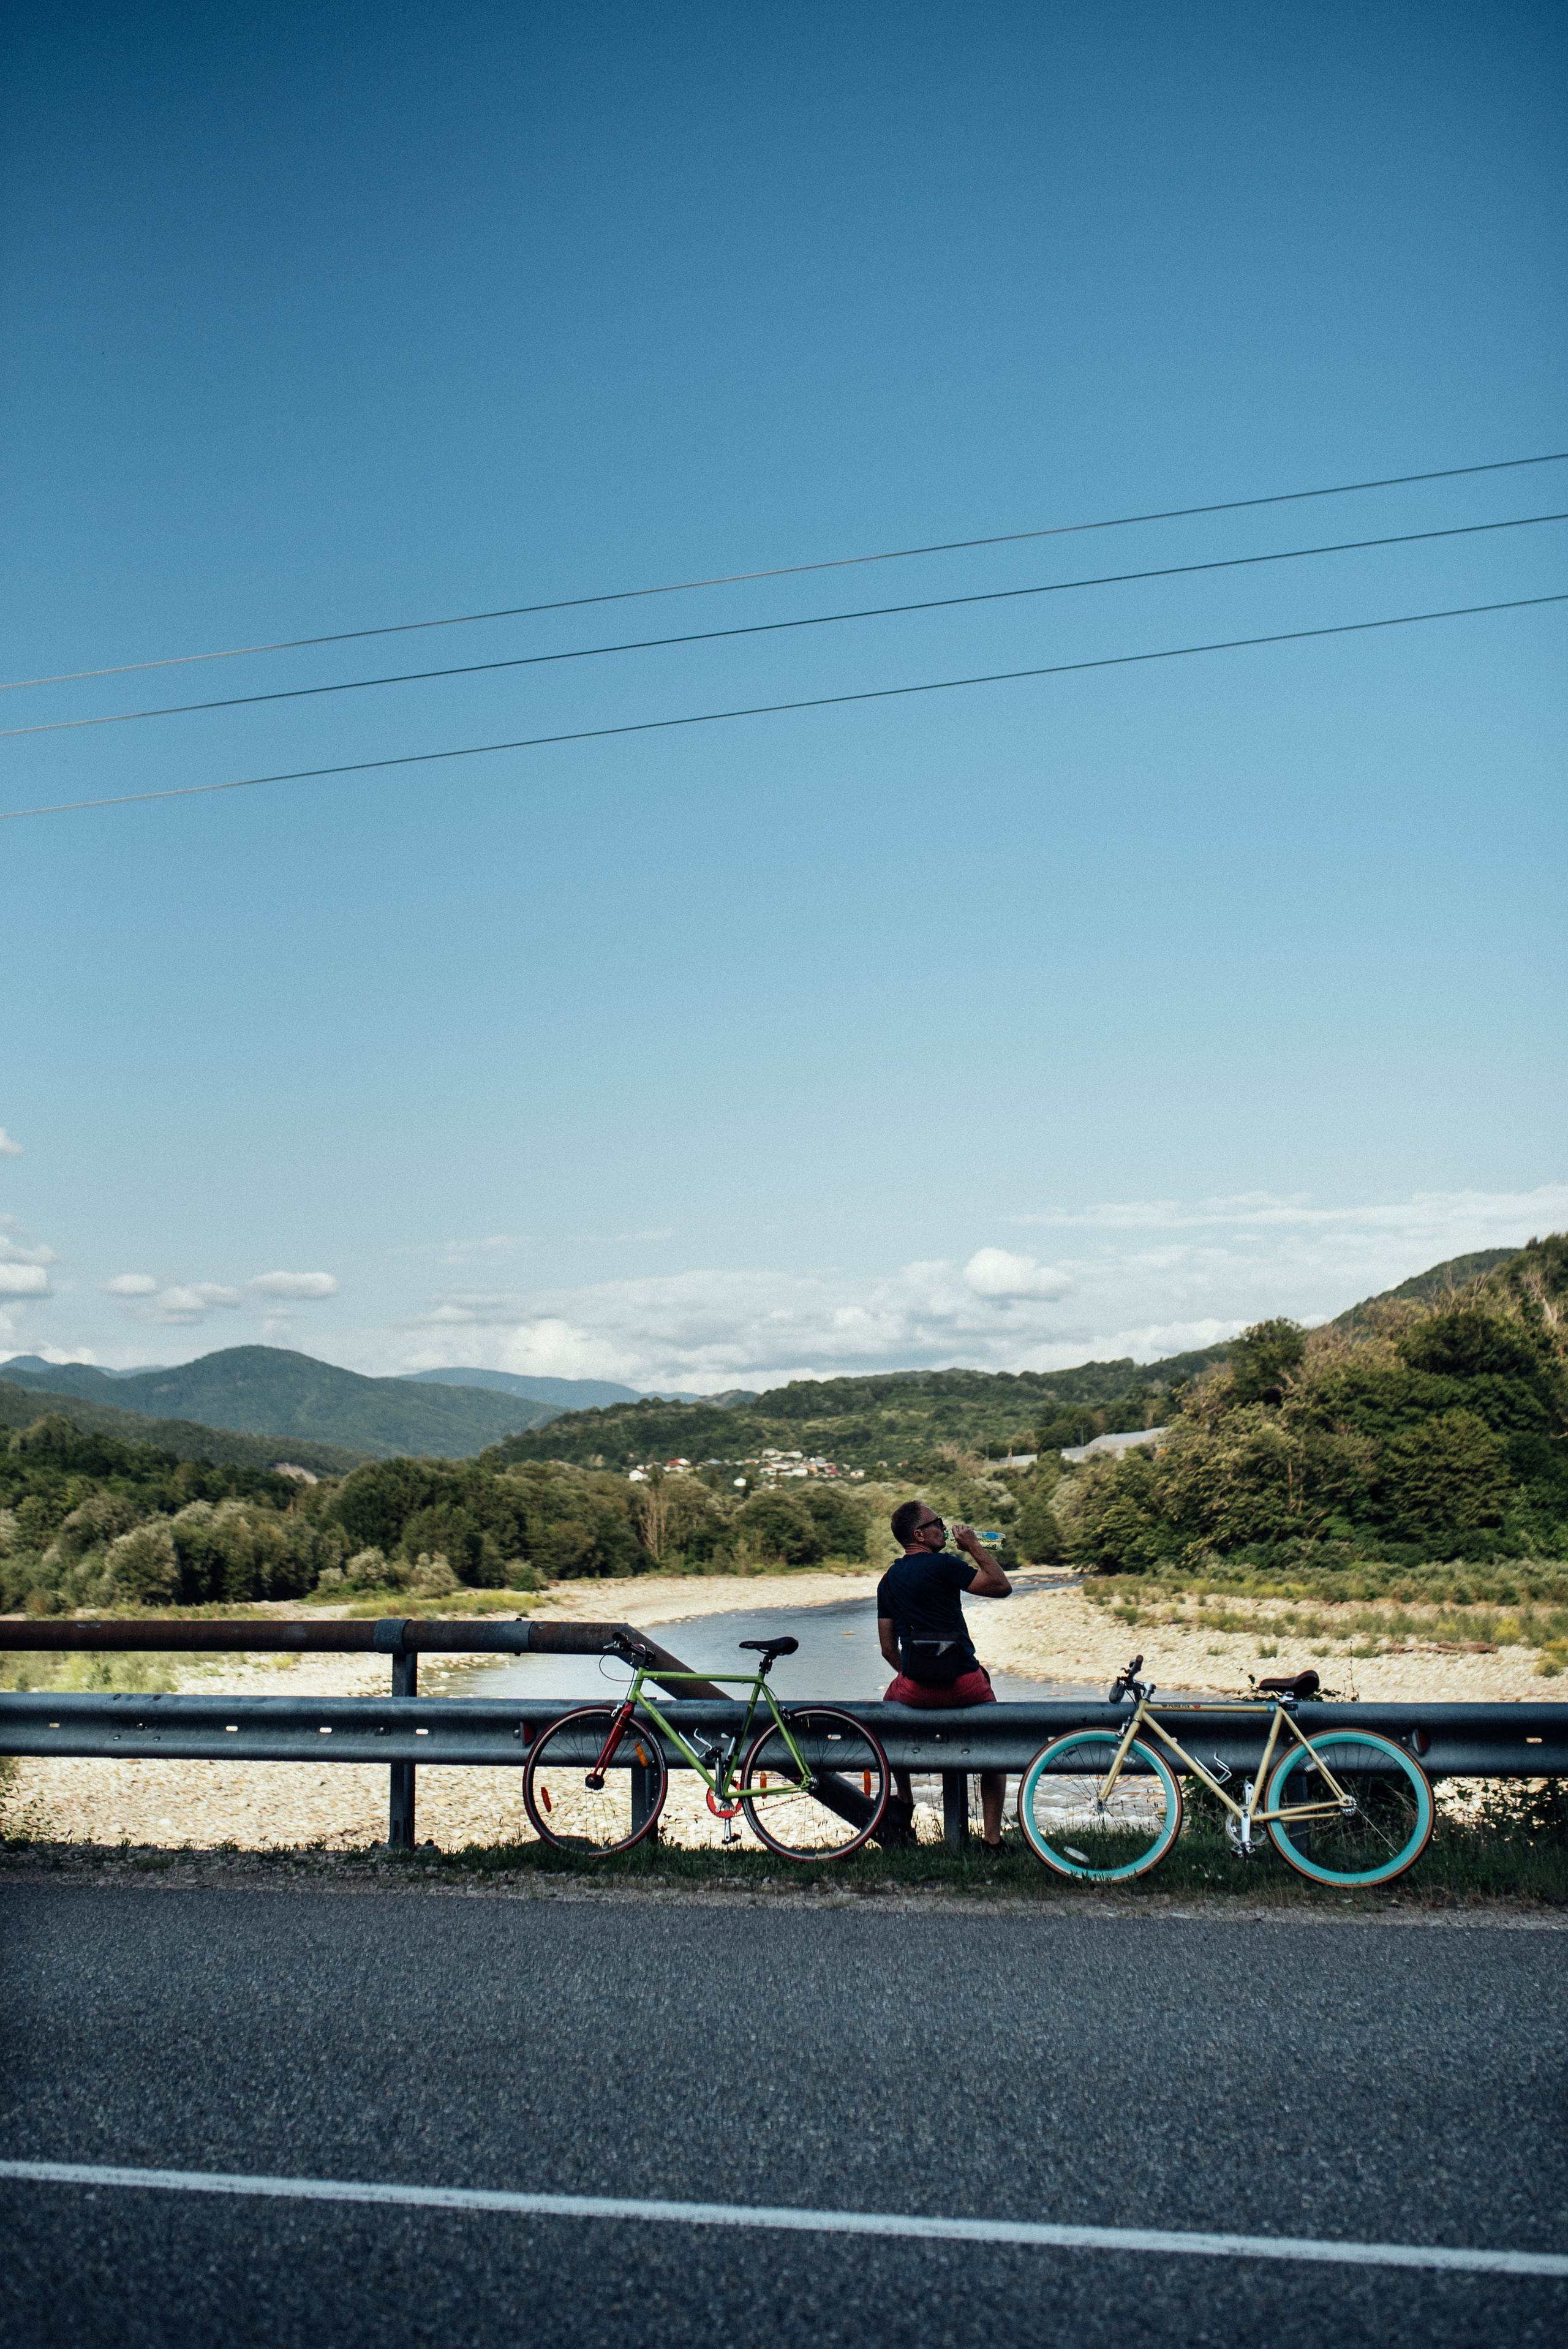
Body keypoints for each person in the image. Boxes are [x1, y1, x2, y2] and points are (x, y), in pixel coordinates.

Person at [877, 1501, 1012, 1849]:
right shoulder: (945, 1565)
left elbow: (889, 1650)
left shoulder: (887, 1582)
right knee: (995, 1748)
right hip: (965, 1685)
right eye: (937, 1522)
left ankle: (904, 1800)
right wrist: (974, 1546)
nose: (944, 1526)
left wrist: (914, 1676)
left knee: (888, 1716)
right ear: (919, 1534)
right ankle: (993, 1841)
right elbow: (1001, 1586)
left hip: (915, 1691)